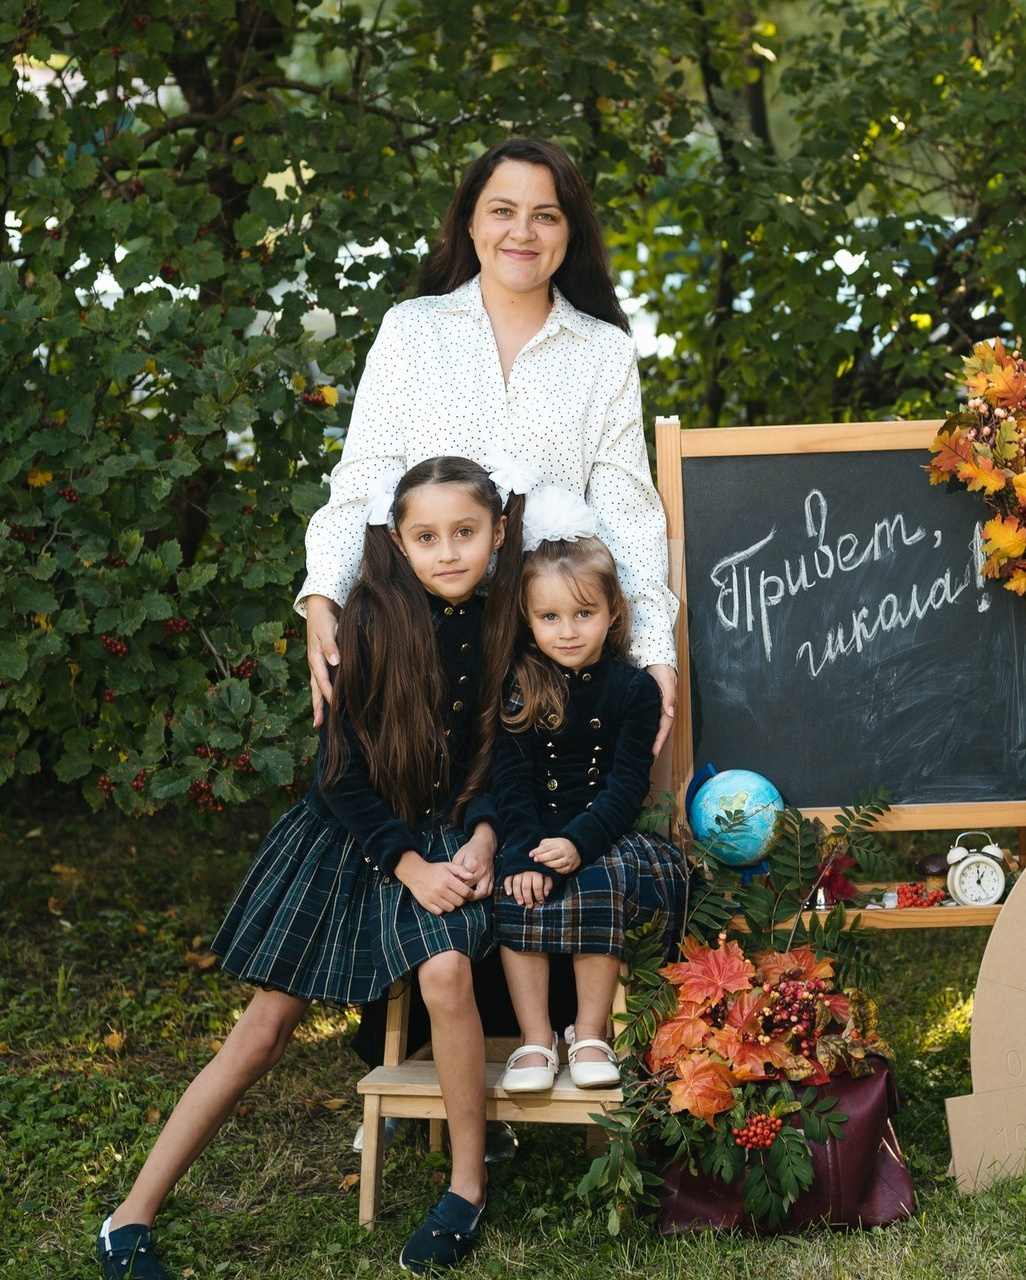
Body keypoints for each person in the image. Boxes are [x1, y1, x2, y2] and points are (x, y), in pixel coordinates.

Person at [96, 457, 525, 1279]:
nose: (447, 552)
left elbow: (495, 760)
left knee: (445, 976)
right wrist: (405, 865)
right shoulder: (364, 622)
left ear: (497, 533)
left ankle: (466, 1189)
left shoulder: (505, 627)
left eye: (465, 533)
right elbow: (336, 775)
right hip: (351, 836)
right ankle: (129, 1216)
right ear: (397, 543)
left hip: (448, 839)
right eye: (426, 537)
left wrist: (482, 839)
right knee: (263, 1029)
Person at [299, 135, 679, 752]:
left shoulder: (604, 353)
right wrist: (324, 595)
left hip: (549, 660)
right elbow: (364, 482)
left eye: (545, 215)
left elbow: (626, 517)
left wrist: (654, 650)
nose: (522, 232)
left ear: (569, 232)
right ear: (470, 222)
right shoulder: (411, 332)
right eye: (503, 210)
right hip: (420, 651)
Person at [491, 489, 686, 1094]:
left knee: (599, 883)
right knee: (517, 890)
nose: (567, 631)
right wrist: (524, 849)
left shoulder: (633, 690)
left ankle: (590, 1030)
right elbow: (510, 778)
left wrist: (580, 841)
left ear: (614, 611)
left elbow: (628, 784)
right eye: (549, 618)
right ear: (527, 618)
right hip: (532, 829)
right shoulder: (516, 683)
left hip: (602, 830)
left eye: (583, 614)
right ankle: (534, 1037)